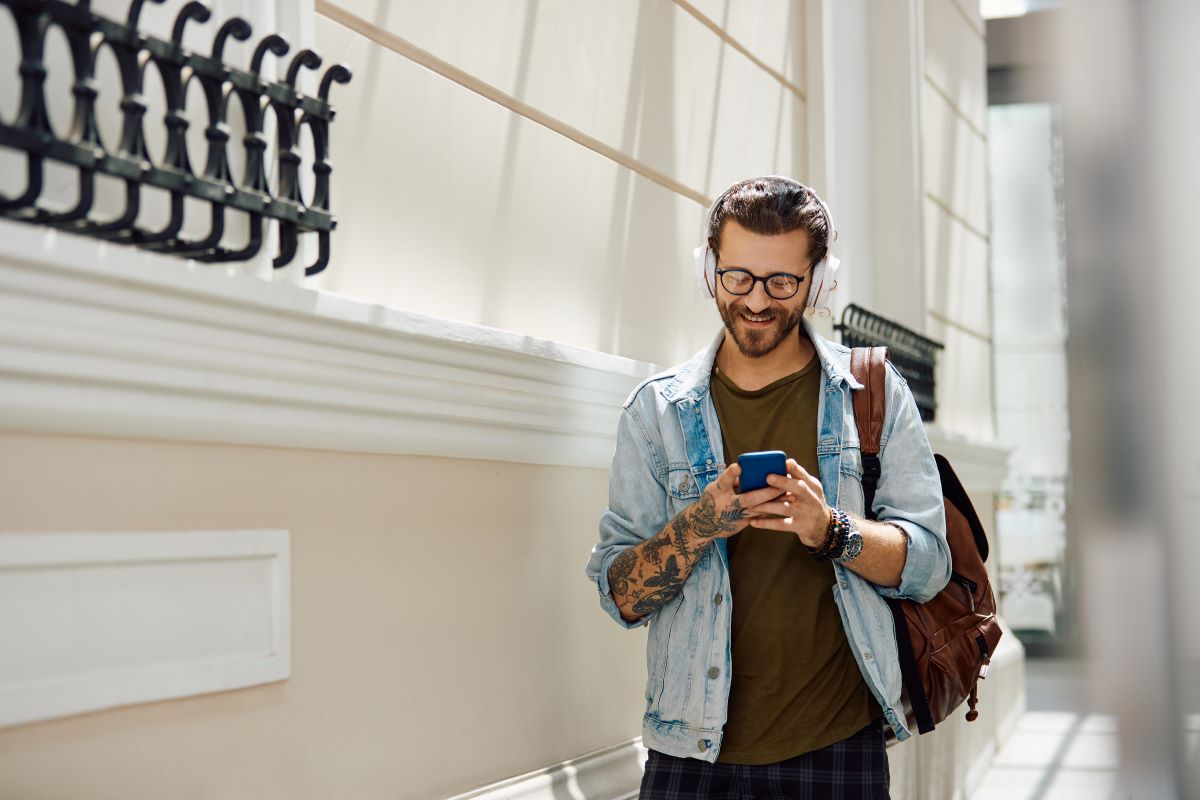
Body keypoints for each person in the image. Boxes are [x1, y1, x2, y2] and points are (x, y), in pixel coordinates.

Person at [584, 176, 950, 799]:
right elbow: (622, 596)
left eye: (783, 282)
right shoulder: (657, 413)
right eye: (739, 278)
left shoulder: (875, 393)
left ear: (820, 281)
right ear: (710, 269)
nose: (757, 301)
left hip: (836, 747)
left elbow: (928, 564)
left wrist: (830, 529)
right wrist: (702, 520)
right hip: (690, 753)